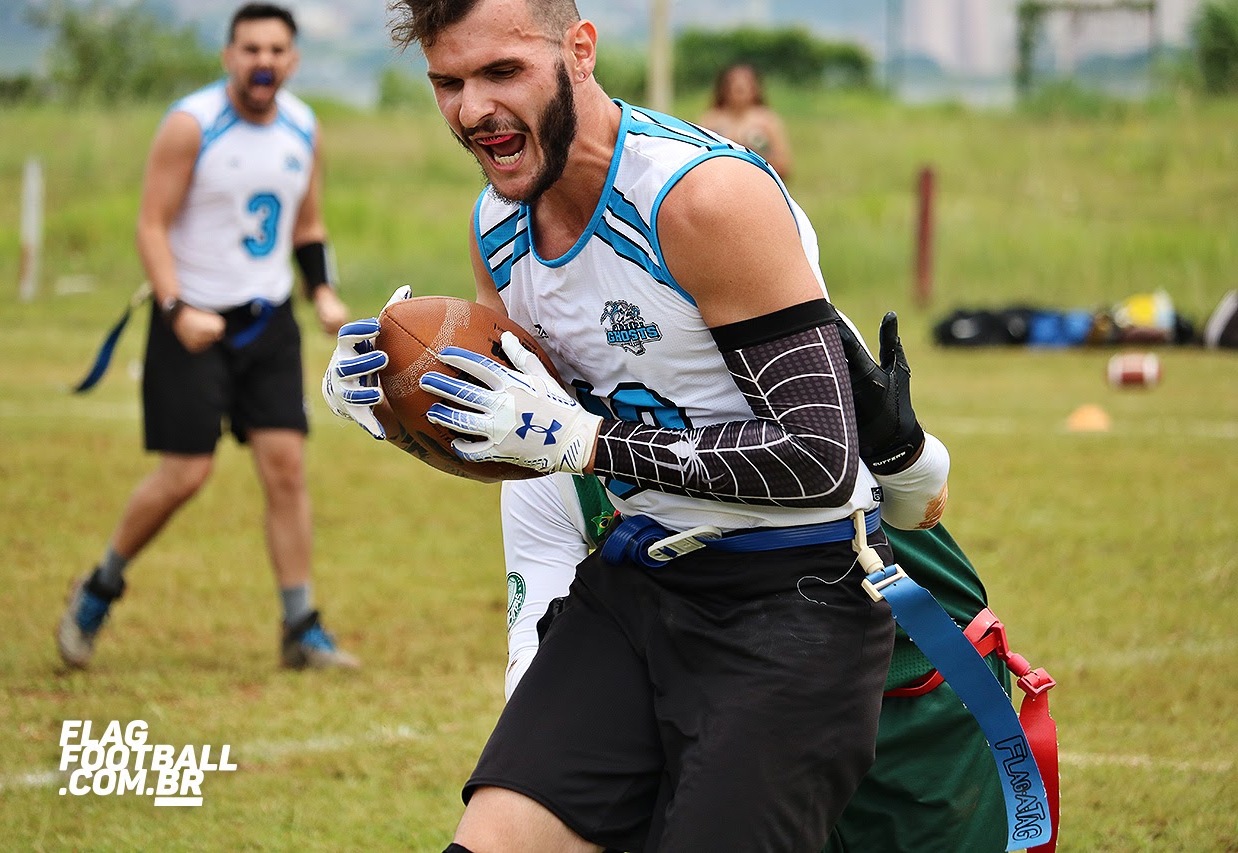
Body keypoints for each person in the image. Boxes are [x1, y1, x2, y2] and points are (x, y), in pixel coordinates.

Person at [325, 0, 954, 848]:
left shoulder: (703, 198)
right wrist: (399, 402)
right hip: (636, 584)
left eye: (501, 72)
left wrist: (586, 442)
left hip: (793, 599)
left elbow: (821, 457)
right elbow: (524, 427)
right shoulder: (497, 224)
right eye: (448, 81)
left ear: (579, 51)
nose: (472, 110)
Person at [56, 2, 358, 672]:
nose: (263, 62)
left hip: (268, 321)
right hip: (191, 323)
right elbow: (151, 225)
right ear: (228, 56)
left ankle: (301, 626)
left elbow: (307, 224)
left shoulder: (304, 127)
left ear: (293, 61)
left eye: (277, 51)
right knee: (184, 475)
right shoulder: (192, 124)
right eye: (250, 49)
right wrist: (175, 306)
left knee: (286, 470)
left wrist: (323, 292)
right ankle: (99, 587)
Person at [500, 471, 1013, 852]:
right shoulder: (541, 473)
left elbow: (924, 494)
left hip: (917, 700)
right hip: (737, 705)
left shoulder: (775, 366)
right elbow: (538, 649)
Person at [698, 63, 793, 180]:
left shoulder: (766, 121)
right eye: (733, 84)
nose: (738, 88)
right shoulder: (711, 120)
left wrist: (756, 150)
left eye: (745, 84)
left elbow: (784, 167)